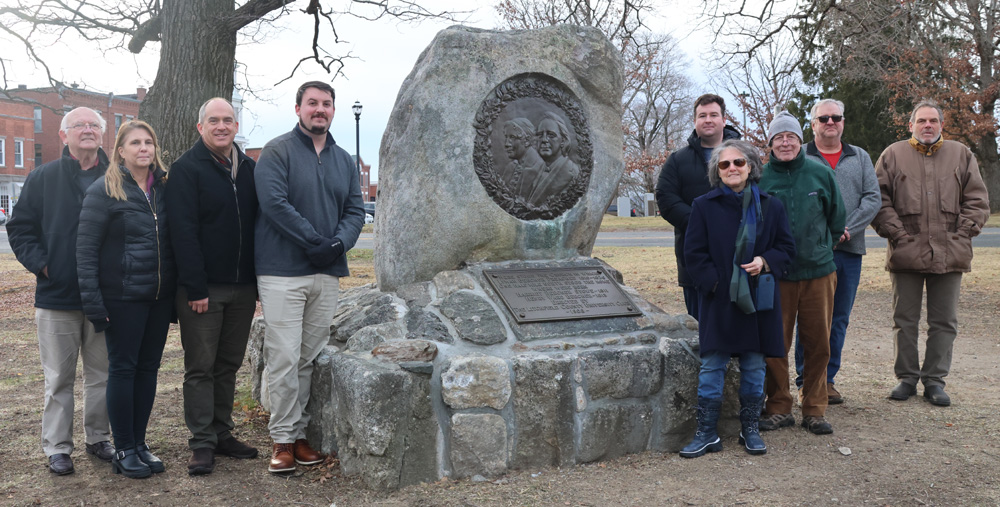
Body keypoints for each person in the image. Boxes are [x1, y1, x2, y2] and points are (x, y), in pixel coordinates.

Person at [255, 81, 366, 473]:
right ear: (298, 108)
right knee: (283, 356)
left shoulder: (344, 160)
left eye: (326, 104)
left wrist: (337, 246)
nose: (320, 109)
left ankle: (299, 435)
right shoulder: (276, 151)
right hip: (283, 271)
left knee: (306, 357)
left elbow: (355, 211)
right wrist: (315, 240)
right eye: (312, 103)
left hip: (327, 272)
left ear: (333, 110)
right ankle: (282, 441)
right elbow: (274, 204)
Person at [7, 107, 114, 475]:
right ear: (63, 135)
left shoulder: (118, 177)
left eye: (93, 126)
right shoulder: (43, 177)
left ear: (103, 134)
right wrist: (45, 265)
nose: (87, 130)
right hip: (58, 297)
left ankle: (99, 437)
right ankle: (57, 447)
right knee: (58, 378)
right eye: (78, 125)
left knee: (102, 374)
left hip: (105, 297)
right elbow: (19, 227)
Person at [681, 140, 796, 458]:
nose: (732, 168)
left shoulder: (771, 206)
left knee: (755, 365)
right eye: (724, 164)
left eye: (738, 163)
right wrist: (717, 286)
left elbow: (787, 249)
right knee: (712, 365)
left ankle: (750, 429)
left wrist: (765, 261)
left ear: (751, 167)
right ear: (717, 171)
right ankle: (706, 433)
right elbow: (693, 254)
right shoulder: (704, 205)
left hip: (758, 301)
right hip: (719, 301)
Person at [871, 100, 989, 407]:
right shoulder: (892, 155)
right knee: (904, 319)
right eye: (921, 120)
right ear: (910, 125)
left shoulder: (961, 154)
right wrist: (897, 235)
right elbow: (878, 200)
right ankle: (906, 378)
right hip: (906, 252)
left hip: (950, 253)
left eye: (933, 121)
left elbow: (977, 200)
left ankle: (935, 381)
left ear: (941, 125)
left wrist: (962, 234)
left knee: (944, 321)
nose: (927, 125)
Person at [76, 120, 175, 478]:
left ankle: (140, 443)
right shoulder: (104, 191)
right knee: (123, 369)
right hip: (122, 299)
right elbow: (85, 252)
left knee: (148, 370)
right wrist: (94, 304)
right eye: (135, 143)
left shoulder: (163, 189)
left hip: (159, 298)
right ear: (121, 151)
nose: (143, 148)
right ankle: (123, 448)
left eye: (148, 142)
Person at [167, 98, 259, 475]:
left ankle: (222, 432)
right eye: (213, 120)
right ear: (200, 127)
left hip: (243, 287)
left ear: (236, 126)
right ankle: (201, 442)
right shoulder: (187, 169)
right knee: (200, 366)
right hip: (203, 290)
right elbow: (182, 232)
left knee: (228, 365)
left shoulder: (251, 169)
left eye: (228, 120)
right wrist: (195, 287)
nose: (222, 126)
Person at [758, 111, 846, 435]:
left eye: (791, 137)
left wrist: (823, 248)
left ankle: (814, 408)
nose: (785, 142)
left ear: (799, 140)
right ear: (770, 143)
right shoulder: (761, 178)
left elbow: (837, 220)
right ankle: (779, 405)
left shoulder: (819, 173)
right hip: (776, 276)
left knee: (818, 343)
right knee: (775, 344)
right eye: (778, 137)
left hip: (819, 273)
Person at [794, 99, 880, 404]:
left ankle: (826, 380)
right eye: (824, 118)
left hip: (848, 250)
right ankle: (806, 379)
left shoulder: (860, 157)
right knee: (809, 318)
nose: (830, 122)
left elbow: (872, 198)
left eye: (836, 118)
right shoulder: (800, 155)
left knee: (838, 318)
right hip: (810, 252)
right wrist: (821, 233)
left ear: (843, 122)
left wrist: (846, 229)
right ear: (814, 123)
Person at [655, 94, 741, 319]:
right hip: (694, 261)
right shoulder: (677, 160)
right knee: (701, 333)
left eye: (714, 114)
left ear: (724, 119)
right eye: (702, 115)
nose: (708, 120)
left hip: (740, 259)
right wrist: (703, 223)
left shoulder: (743, 157)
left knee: (739, 332)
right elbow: (666, 198)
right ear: (695, 121)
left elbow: (760, 197)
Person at [525, 112, 580, 206]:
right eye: (540, 135)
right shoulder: (535, 170)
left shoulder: (571, 173)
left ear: (563, 140)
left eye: (551, 135)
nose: (544, 140)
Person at [500, 118, 545, 200]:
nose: (506, 144)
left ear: (527, 140)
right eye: (506, 137)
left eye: (512, 137)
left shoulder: (540, 169)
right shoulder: (510, 167)